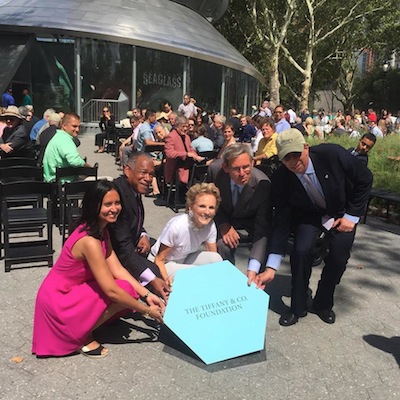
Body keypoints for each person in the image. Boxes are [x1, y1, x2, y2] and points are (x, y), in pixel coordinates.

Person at [32, 180, 164, 358]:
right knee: (122, 290)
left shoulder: (101, 230)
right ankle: (81, 335)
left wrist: (147, 295)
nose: (115, 208)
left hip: (68, 290)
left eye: (117, 203)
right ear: (94, 206)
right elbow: (111, 291)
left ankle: (87, 322)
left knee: (126, 287)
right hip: (58, 299)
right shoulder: (90, 241)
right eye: (108, 204)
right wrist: (147, 311)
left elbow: (118, 269)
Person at [255, 128, 373, 326]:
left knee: (338, 257)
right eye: (287, 158)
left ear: (306, 148)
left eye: (296, 154)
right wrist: (271, 265)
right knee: (300, 251)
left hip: (341, 212)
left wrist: (352, 215)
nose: (294, 161)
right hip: (309, 215)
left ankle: (323, 303)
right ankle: (297, 306)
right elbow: (282, 221)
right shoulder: (281, 178)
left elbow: (365, 179)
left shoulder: (332, 155)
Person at [108, 153, 171, 302]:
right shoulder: (117, 196)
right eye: (143, 172)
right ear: (127, 170)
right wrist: (152, 278)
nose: (148, 179)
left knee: (163, 248)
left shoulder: (132, 189)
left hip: (131, 244)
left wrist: (143, 235)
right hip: (114, 256)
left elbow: (134, 222)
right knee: (156, 273)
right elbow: (123, 249)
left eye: (151, 174)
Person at [207, 143, 272, 285]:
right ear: (225, 167)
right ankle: (226, 283)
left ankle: (254, 283)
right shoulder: (215, 171)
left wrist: (253, 267)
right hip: (225, 217)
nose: (242, 173)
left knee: (264, 247)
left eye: (246, 167)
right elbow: (208, 201)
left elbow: (262, 228)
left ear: (252, 163)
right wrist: (223, 224)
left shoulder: (262, 184)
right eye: (236, 169)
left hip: (251, 223)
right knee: (222, 245)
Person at [149, 182, 223, 281]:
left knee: (216, 259)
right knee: (196, 273)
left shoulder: (210, 226)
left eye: (211, 207)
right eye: (202, 206)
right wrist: (166, 281)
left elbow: (213, 257)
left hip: (185, 258)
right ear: (190, 207)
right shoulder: (178, 226)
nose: (207, 212)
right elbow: (159, 260)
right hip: (165, 263)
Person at [42, 113, 91, 182]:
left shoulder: (58, 137)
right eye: (74, 126)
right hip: (64, 183)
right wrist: (89, 167)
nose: (77, 130)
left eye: (79, 127)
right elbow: (74, 161)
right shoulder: (65, 140)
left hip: (53, 181)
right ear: (64, 126)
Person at [164, 115, 203, 185]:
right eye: (183, 126)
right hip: (176, 169)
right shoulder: (171, 137)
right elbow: (169, 154)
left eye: (186, 126)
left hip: (188, 166)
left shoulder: (186, 137)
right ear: (176, 126)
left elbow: (191, 149)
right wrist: (186, 154)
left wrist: (196, 156)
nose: (185, 129)